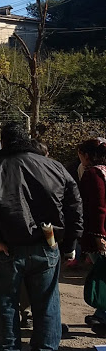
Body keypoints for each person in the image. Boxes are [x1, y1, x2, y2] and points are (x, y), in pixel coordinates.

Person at [0, 122, 83, 351]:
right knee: (47, 303)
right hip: (46, 244)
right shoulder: (53, 166)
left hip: (6, 246)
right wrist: (69, 244)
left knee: (5, 303)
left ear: (3, 142)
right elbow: (74, 204)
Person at [76, 138, 106, 330]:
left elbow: (98, 208)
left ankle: (102, 314)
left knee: (102, 272)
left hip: (100, 234)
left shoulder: (94, 175)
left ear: (87, 155)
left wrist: (99, 235)